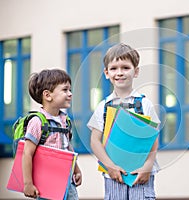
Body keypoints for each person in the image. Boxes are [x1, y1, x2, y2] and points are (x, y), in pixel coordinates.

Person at [88, 43, 160, 200]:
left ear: (136, 71)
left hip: (140, 173)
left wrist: (147, 166)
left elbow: (153, 138)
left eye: (125, 67)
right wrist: (109, 166)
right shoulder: (103, 107)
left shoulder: (145, 104)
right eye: (114, 68)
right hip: (113, 174)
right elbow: (95, 141)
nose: (119, 73)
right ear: (106, 73)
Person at [23, 69, 82, 199]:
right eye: (65, 90)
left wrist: (76, 169)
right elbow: (27, 153)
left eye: (70, 90)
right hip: (46, 185)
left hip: (67, 182)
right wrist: (28, 183)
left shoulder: (65, 121)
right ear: (48, 95)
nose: (70, 94)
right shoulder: (37, 122)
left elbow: (67, 148)